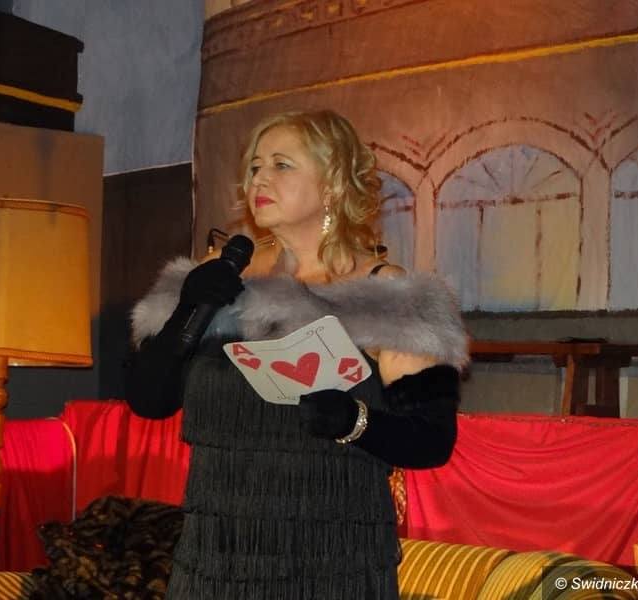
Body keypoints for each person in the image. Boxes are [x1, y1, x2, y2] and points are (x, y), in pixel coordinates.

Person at [126, 109, 468, 600]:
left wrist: (354, 421)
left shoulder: (389, 294)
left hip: (332, 563)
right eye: (254, 167)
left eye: (281, 165)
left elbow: (432, 441)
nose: (259, 179)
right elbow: (149, 400)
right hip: (215, 560)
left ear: (333, 183)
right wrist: (186, 310)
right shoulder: (221, 274)